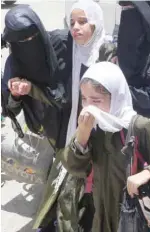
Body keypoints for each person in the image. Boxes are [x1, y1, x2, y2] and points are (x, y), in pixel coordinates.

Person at [59, 61, 150, 232]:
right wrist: (82, 136)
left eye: (96, 100)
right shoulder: (92, 127)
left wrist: (148, 173)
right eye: (84, 99)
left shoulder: (138, 126)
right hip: (101, 212)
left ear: (116, 96)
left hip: (132, 215)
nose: (88, 107)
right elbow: (73, 166)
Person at [33, 1, 115, 231]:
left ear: (96, 24)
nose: (75, 27)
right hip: (73, 131)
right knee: (66, 186)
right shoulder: (70, 51)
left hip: (100, 136)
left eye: (82, 21)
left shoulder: (107, 53)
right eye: (72, 22)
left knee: (92, 192)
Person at [2, 5, 72, 149]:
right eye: (22, 41)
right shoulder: (14, 64)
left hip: (72, 126)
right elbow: (11, 109)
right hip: (44, 130)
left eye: (33, 37)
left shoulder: (62, 44)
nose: (29, 42)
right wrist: (15, 95)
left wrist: (32, 89)